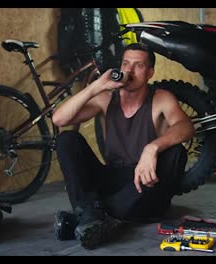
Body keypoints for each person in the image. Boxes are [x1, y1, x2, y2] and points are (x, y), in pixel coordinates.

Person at [52, 43, 195, 249]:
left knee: (176, 153)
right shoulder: (105, 98)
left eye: (138, 65)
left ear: (150, 73)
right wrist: (95, 87)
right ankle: (96, 217)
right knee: (67, 140)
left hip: (143, 185)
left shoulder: (161, 99)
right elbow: (59, 119)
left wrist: (151, 148)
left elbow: (186, 127)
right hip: (112, 178)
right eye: (126, 64)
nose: (129, 70)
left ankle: (88, 216)